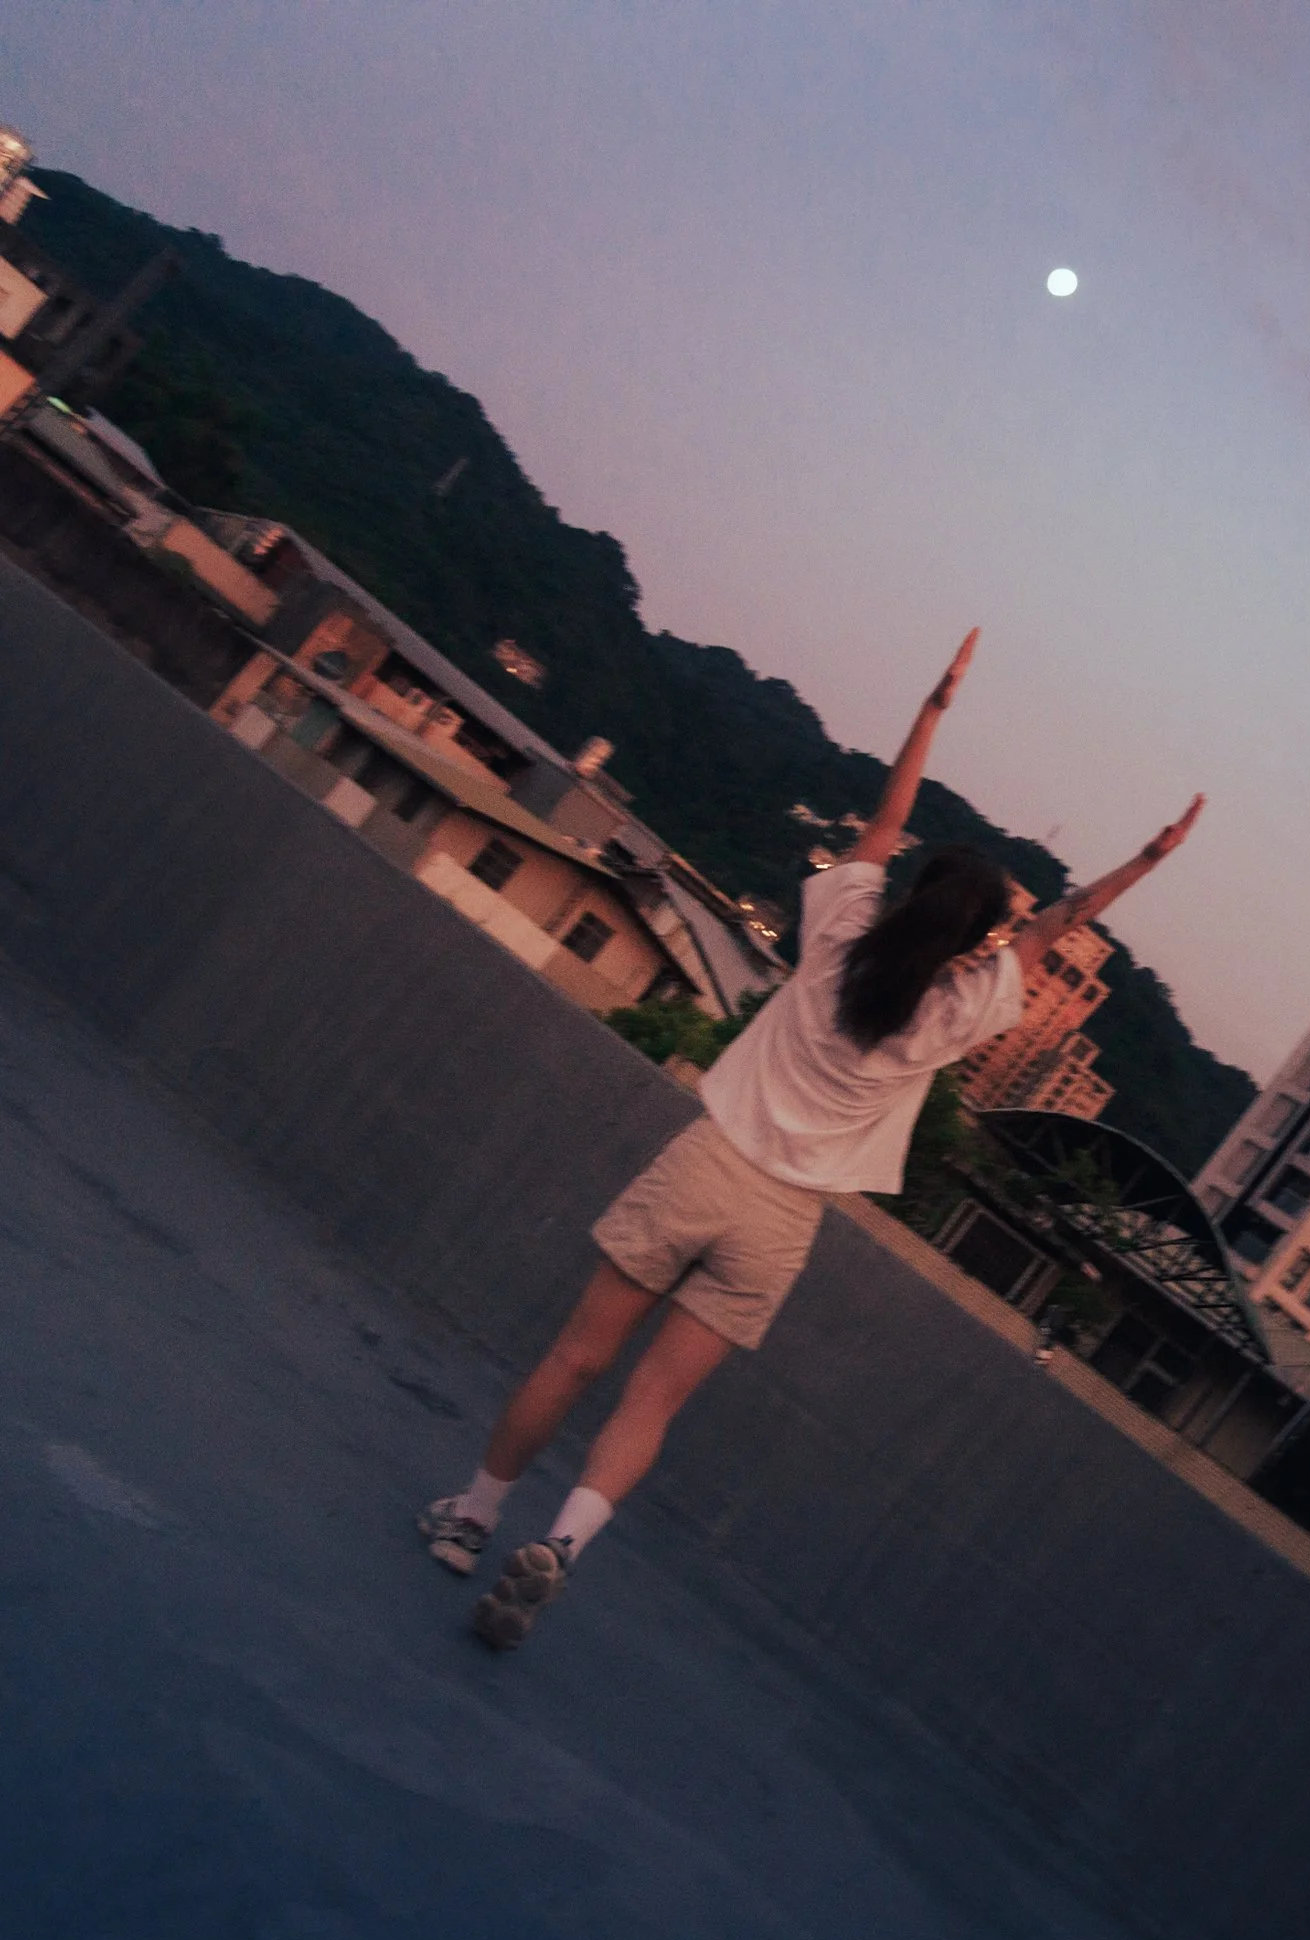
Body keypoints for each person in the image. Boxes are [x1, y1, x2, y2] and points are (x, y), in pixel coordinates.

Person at [419, 629, 1204, 1649]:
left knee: (577, 1357)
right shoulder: (956, 1014)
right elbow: (1060, 921)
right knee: (651, 1404)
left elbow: (888, 816)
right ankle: (563, 1545)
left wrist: (936, 705)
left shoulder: (837, 931)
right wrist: (1150, 858)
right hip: (781, 1224)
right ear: (977, 942)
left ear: (913, 893)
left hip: (707, 1164)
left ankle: (471, 1518)